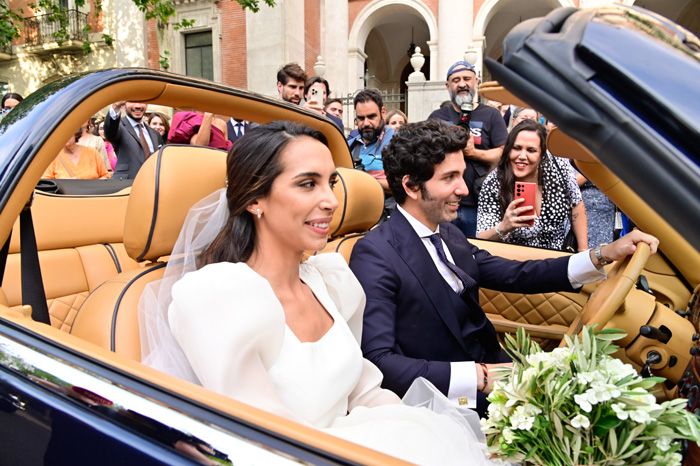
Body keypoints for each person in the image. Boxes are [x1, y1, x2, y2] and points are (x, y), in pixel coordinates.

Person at [139, 121, 496, 465]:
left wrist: (420, 435)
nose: (330, 200)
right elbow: (262, 441)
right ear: (254, 200)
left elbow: (364, 390)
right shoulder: (218, 298)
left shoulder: (332, 281)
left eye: (331, 182)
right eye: (308, 184)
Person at [348, 119, 659, 418]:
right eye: (449, 178)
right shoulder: (375, 254)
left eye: (462, 175)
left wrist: (603, 254)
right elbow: (380, 362)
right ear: (412, 187)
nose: (464, 190)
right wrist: (479, 376)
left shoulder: (450, 234)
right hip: (449, 400)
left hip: (499, 371)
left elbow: (516, 274)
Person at [476, 120, 588, 251]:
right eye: (516, 148)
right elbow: (481, 238)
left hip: (556, 259)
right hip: (516, 263)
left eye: (531, 150)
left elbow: (576, 206)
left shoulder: (558, 167)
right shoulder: (495, 182)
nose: (522, 156)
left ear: (542, 155)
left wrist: (582, 251)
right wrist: (504, 226)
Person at [428, 60, 508, 237]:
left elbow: (504, 154)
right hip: (443, 202)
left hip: (480, 203)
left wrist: (474, 153)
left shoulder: (491, 115)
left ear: (476, 81)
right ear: (447, 85)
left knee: (478, 252)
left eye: (467, 78)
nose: (462, 84)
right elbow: (426, 155)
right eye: (456, 80)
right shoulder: (437, 117)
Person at [104, 101, 163, 180]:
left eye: (142, 101)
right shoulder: (119, 127)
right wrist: (115, 107)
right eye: (133, 101)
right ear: (124, 104)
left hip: (152, 185)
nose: (138, 106)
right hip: (126, 186)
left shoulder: (154, 133)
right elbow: (110, 131)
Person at [43, 128, 111, 180]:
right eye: (61, 134)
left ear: (76, 132)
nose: (64, 136)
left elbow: (106, 176)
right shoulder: (54, 157)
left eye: (67, 132)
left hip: (91, 197)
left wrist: (91, 186)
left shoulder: (92, 153)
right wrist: (63, 184)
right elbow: (46, 181)